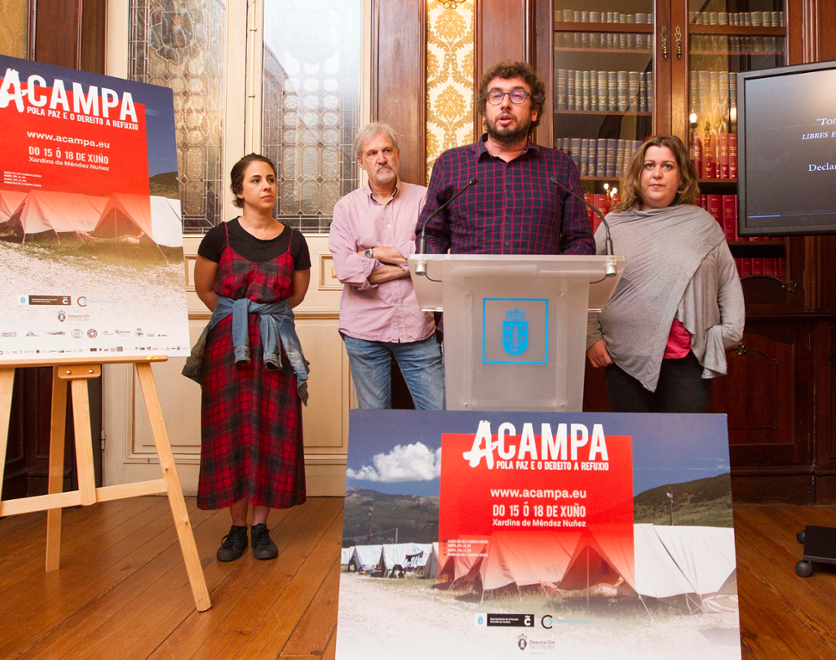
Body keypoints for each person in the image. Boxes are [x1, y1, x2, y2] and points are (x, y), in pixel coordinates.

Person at [186, 153, 311, 562]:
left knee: (272, 431)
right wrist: (238, 320)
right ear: (239, 190)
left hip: (276, 348)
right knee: (230, 431)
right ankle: (236, 529)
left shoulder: (294, 241)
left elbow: (295, 295)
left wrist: (261, 319)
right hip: (228, 349)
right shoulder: (218, 236)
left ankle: (260, 527)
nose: (266, 186)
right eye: (256, 180)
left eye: (271, 178)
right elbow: (205, 289)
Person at [587, 134, 745, 412]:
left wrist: (728, 334)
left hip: (687, 362)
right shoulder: (613, 225)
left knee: (683, 440)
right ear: (638, 176)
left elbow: (728, 282)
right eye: (649, 165)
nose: (657, 174)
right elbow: (589, 284)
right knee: (634, 439)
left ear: (682, 179)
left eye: (667, 166)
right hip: (623, 358)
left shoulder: (703, 224)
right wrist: (592, 338)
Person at [416, 60, 594, 255]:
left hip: (540, 277)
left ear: (534, 112)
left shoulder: (560, 166)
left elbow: (580, 241)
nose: (505, 104)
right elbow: (430, 235)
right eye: (496, 96)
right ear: (484, 113)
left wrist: (556, 274)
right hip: (467, 276)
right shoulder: (450, 163)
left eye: (517, 96)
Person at [328, 122, 444, 410]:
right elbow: (346, 269)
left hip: (417, 329)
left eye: (387, 150)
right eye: (372, 153)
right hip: (364, 333)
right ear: (361, 162)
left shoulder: (423, 198)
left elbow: (432, 253)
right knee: (375, 422)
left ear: (397, 155)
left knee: (440, 415)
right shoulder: (346, 208)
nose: (381, 158)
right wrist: (409, 265)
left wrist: (370, 253)